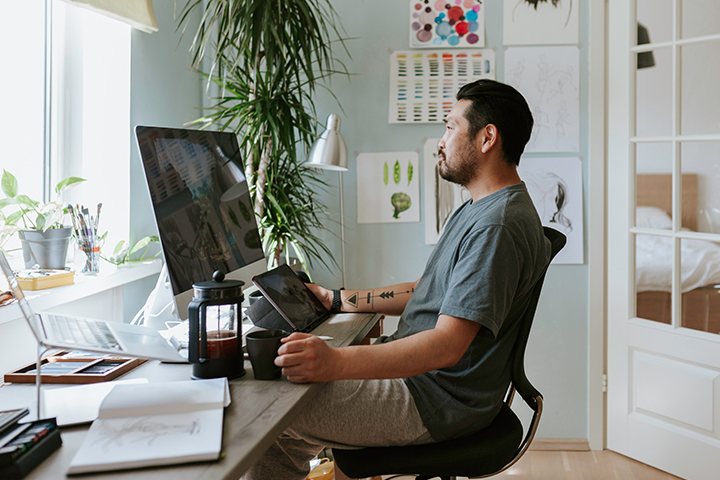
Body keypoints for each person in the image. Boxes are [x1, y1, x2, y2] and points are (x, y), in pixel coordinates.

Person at [243, 79, 551, 480]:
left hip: (433, 400)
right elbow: (430, 290)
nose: (440, 141)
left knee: (270, 410)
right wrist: (337, 300)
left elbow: (445, 347)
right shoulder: (480, 208)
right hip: (428, 385)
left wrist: (334, 361)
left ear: (487, 138)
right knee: (282, 416)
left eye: (450, 127)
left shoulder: (498, 226)